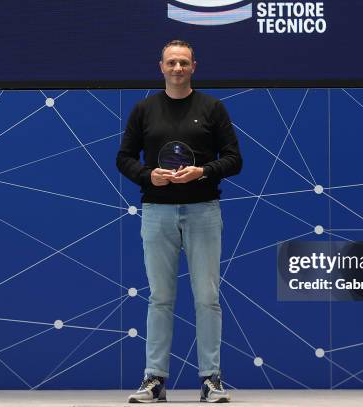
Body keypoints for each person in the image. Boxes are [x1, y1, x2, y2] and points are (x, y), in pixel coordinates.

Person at [116, 40, 242, 403]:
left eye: (183, 62)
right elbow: (123, 157)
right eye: (171, 62)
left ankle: (212, 380)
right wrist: (146, 176)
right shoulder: (144, 109)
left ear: (194, 67)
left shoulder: (212, 108)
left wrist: (202, 171)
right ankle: (154, 380)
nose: (177, 68)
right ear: (161, 67)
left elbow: (234, 159)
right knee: (160, 298)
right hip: (156, 212)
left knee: (207, 298)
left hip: (203, 210)